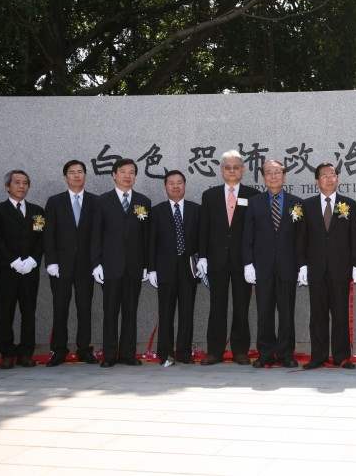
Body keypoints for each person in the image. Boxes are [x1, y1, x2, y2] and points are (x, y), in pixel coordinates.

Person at [296, 163, 356, 370]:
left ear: (337, 179)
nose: (329, 178)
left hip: (340, 269)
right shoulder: (306, 205)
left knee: (340, 313)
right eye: (324, 175)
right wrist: (302, 265)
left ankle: (342, 356)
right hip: (316, 269)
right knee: (318, 315)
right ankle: (318, 356)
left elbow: (355, 236)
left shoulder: (348, 204)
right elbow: (301, 239)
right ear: (317, 180)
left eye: (332, 174)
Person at [197, 150, 260, 365]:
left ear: (243, 170)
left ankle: (240, 351)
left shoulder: (252, 195)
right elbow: (204, 228)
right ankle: (214, 351)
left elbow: (255, 230)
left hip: (243, 261)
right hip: (217, 260)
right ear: (221, 170)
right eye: (227, 167)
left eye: (236, 167)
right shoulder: (210, 195)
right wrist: (203, 256)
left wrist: (252, 260)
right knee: (217, 306)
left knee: (242, 306)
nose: (232, 171)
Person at [90, 158, 152, 367]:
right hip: (110, 266)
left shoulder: (143, 201)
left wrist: (146, 265)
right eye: (123, 171)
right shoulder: (101, 201)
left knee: (130, 312)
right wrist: (96, 263)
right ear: (114, 175)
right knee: (110, 312)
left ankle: (128, 354)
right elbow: (95, 235)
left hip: (134, 267)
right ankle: (109, 355)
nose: (128, 175)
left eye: (132, 172)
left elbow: (146, 236)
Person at [243, 160, 304, 368]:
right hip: (263, 267)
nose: (273, 176)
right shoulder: (254, 202)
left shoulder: (296, 203)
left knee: (286, 312)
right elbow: (248, 235)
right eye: (268, 173)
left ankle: (286, 354)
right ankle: (266, 353)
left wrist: (302, 265)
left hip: (288, 267)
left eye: (277, 172)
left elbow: (300, 238)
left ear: (284, 176)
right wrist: (248, 263)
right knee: (264, 312)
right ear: (263, 177)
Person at [0, 170, 44, 369]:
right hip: (6, 271)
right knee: (5, 312)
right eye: (17, 182)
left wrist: (33, 260)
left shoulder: (38, 211)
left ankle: (26, 353)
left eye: (25, 183)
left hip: (30, 271)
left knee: (29, 313)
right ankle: (7, 353)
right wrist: (13, 261)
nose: (21, 186)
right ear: (7, 186)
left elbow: (41, 238)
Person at [43, 160, 98, 367]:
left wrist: (97, 262)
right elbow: (48, 234)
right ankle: (59, 350)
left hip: (86, 266)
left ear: (85, 175)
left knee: (85, 308)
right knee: (60, 308)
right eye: (72, 172)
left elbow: (98, 235)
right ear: (65, 177)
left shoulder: (95, 201)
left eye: (80, 172)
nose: (76, 175)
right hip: (61, 266)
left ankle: (84, 349)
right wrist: (51, 262)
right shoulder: (55, 202)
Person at [148, 170, 200, 367]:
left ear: (185, 185)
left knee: (187, 312)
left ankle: (184, 353)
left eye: (179, 182)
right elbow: (151, 242)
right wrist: (151, 269)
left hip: (189, 269)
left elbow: (202, 238)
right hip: (165, 269)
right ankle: (165, 353)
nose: (176, 186)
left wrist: (203, 260)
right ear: (165, 186)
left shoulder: (196, 210)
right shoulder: (156, 211)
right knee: (166, 312)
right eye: (171, 183)